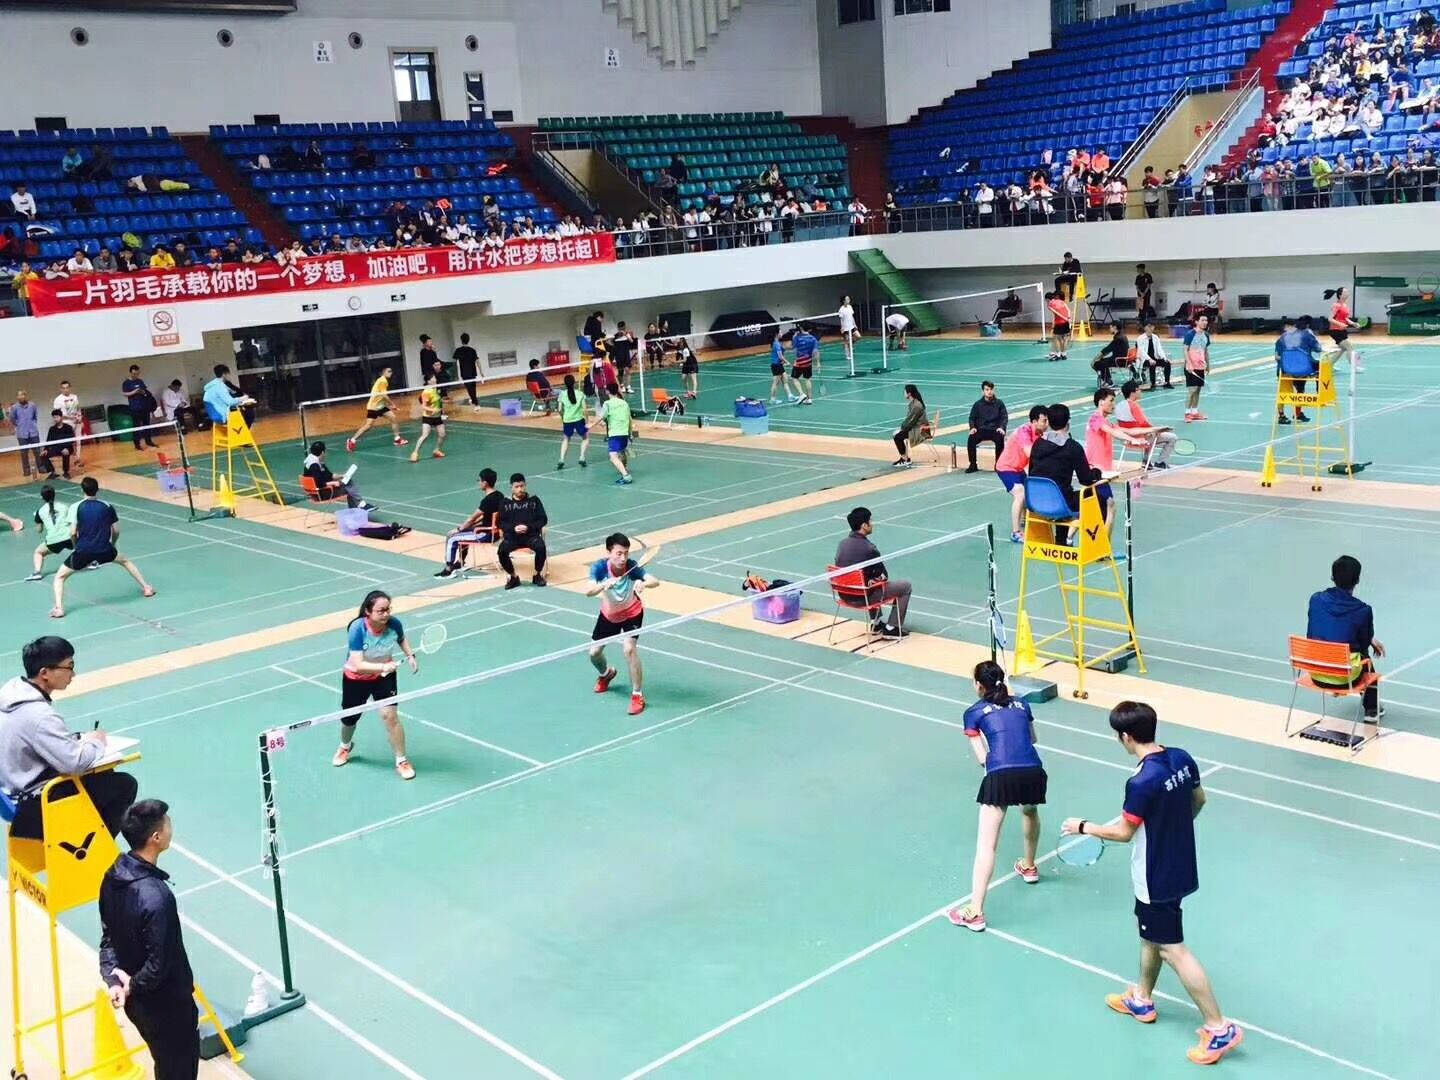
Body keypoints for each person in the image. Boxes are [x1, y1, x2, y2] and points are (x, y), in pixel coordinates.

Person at [1061, 702, 1243, 1067]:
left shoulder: (1141, 781)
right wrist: (1172, 828)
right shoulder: (1181, 758)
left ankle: (1218, 1027)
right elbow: (1199, 800)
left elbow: (1123, 832)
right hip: (1180, 863)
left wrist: (1084, 827)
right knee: (1150, 936)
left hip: (1154, 873)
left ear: (1126, 737)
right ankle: (1141, 999)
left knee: (1172, 949)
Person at [99, 799, 200, 1080]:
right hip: (168, 1006)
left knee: (166, 1065)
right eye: (167, 824)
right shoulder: (157, 898)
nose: (170, 827)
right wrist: (132, 985)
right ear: (156, 837)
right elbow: (158, 965)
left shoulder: (111, 877)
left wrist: (114, 980)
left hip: (138, 1006)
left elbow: (108, 937)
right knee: (178, 1071)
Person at [0, 636, 137, 841]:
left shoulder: (10, 697)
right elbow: (74, 763)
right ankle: (93, 848)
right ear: (44, 673)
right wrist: (95, 742)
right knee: (124, 784)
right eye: (69, 666)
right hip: (34, 806)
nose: (73, 673)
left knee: (104, 777)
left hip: (11, 795)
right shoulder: (39, 715)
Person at [947, 661, 1046, 932]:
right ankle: (1029, 866)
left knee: (986, 845)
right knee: (1029, 810)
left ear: (979, 685)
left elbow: (982, 758)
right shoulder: (1022, 705)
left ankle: (975, 912)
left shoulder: (974, 712)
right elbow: (1032, 739)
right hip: (1033, 771)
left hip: (1001, 774)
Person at [332, 590, 418, 780]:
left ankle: (401, 760)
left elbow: (401, 638)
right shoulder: (357, 628)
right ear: (368, 611)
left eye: (388, 609)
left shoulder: (394, 624)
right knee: (349, 720)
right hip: (356, 678)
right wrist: (383, 666)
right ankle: (345, 746)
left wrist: (410, 655)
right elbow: (358, 665)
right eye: (381, 611)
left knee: (390, 717)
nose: (386, 614)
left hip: (384, 678)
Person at [50, 477, 155, 619]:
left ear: (82, 490)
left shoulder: (77, 507)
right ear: (97, 490)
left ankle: (59, 608)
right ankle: (147, 588)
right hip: (105, 549)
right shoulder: (107, 506)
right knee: (125, 561)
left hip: (83, 551)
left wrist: (76, 547)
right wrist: (112, 545)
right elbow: (116, 530)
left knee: (60, 577)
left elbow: (72, 532)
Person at [586, 532, 661, 718]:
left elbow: (655, 581)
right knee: (594, 654)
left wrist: (643, 584)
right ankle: (606, 674)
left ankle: (637, 695)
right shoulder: (599, 568)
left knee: (629, 649)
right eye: (619, 553)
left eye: (626, 553)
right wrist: (604, 584)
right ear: (609, 552)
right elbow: (588, 591)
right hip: (609, 616)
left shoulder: (632, 567)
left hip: (631, 613)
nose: (623, 558)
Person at [1307, 555, 1384, 720]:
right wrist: (1370, 640)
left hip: (1317, 672)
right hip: (1345, 678)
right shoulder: (1363, 610)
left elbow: (1314, 633)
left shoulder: (1315, 599)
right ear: (1357, 580)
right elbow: (1363, 645)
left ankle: (1368, 705)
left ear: (1332, 577)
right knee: (1365, 658)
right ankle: (1372, 709)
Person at [1028, 403, 1103, 545]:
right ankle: (1096, 545)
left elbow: (1031, 473)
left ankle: (1062, 543)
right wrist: (1097, 472)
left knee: (1062, 493)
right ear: (1068, 422)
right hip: (1061, 503)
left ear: (1049, 422)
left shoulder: (1037, 444)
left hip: (1036, 501)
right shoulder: (1073, 447)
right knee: (1099, 498)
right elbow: (1086, 479)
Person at [835, 507, 910, 639]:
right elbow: (884, 576)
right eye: (870, 521)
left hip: (843, 595)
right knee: (905, 587)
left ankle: (876, 623)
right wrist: (875, 578)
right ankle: (892, 627)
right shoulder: (870, 548)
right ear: (864, 525)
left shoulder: (841, 544)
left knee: (868, 580)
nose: (872, 523)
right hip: (862, 597)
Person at [1086, 388, 1146, 544]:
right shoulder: (1096, 420)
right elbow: (1116, 433)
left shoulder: (1105, 421)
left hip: (1103, 474)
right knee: (1108, 508)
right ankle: (1103, 548)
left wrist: (1154, 430)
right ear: (1101, 402)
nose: (1114, 404)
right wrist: (1133, 440)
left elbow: (1126, 430)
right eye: (1111, 401)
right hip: (1096, 473)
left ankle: (1095, 546)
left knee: (1099, 511)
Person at [435, 468, 504, 578]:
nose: (478, 483)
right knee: (464, 532)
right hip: (495, 532)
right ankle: (460, 562)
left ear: (485, 483)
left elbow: (472, 518)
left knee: (452, 537)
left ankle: (448, 569)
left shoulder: (487, 501)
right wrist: (469, 526)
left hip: (486, 534)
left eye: (479, 480)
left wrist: (458, 529)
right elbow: (488, 517)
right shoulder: (499, 495)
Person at [994, 405, 1049, 543]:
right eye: (1044, 421)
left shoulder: (1039, 434)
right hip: (1006, 467)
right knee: (1020, 494)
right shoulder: (1024, 432)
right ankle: (1016, 532)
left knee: (1030, 491)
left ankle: (1025, 519)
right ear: (1034, 421)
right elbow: (1030, 453)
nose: (1047, 424)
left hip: (1018, 468)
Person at [496, 473, 548, 589]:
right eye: (517, 487)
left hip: (531, 536)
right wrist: (513, 528)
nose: (520, 489)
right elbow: (500, 523)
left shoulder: (534, 500)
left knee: (541, 547)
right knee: (502, 551)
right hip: (512, 537)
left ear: (525, 485)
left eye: (522, 486)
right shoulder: (505, 502)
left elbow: (543, 519)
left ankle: (537, 575)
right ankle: (513, 577)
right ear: (511, 487)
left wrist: (528, 527)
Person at [1116, 381, 1177, 469]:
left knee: (1149, 434)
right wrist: (1158, 429)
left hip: (1126, 439)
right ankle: (1160, 462)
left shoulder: (1119, 405)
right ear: (1132, 392)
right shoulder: (1134, 406)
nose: (1140, 391)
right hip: (1139, 439)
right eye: (1138, 389)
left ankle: (1146, 461)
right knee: (1172, 437)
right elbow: (1144, 424)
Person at [1274, 315, 1323, 425]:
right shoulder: (1307, 334)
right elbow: (1318, 349)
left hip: (1285, 370)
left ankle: (1282, 416)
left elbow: (1277, 357)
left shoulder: (1281, 338)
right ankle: (1319, 390)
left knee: (1283, 394)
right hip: (1303, 370)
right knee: (1320, 367)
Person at [346, 366, 407, 452]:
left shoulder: (382, 380)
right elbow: (384, 395)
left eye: (391, 371)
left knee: (394, 418)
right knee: (368, 426)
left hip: (380, 406)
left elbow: (381, 396)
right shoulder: (383, 381)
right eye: (389, 371)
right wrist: (392, 404)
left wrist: (388, 406)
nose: (391, 373)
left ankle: (397, 439)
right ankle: (352, 440)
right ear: (384, 373)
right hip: (374, 407)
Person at [302, 441, 374, 511]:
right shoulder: (314, 465)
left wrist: (343, 476)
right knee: (348, 489)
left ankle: (356, 508)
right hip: (321, 494)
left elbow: (329, 475)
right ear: (322, 452)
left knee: (347, 482)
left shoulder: (313, 460)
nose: (326, 453)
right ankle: (360, 505)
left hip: (319, 491)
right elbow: (319, 483)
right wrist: (333, 483)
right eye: (325, 451)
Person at [26, 485, 73, 581]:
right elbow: (71, 522)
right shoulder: (64, 507)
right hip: (69, 538)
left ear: (42, 497)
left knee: (38, 552)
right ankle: (91, 562)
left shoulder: (39, 512)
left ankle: (37, 573)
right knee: (82, 545)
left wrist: (38, 519)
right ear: (54, 495)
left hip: (53, 541)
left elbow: (39, 530)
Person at [965, 381, 1008, 474]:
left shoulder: (999, 403)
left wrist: (1002, 427)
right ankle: (973, 465)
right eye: (987, 389)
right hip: (981, 430)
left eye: (991, 389)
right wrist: (972, 428)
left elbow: (1004, 417)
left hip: (995, 430)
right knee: (971, 439)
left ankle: (998, 465)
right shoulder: (977, 404)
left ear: (994, 390)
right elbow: (972, 418)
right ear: (983, 391)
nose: (989, 391)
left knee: (1000, 438)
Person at [598, 385, 635, 485]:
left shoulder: (607, 403)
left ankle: (626, 476)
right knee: (622, 451)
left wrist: (592, 424)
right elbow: (629, 419)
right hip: (624, 432)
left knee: (613, 457)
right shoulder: (624, 403)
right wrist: (630, 433)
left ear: (607, 391)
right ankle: (625, 468)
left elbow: (601, 417)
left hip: (614, 434)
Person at [1324, 286, 1364, 372]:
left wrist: (1353, 323)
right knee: (1349, 346)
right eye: (1345, 292)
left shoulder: (1345, 305)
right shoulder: (1336, 305)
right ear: (1340, 295)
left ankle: (1328, 366)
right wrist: (1340, 324)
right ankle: (1354, 368)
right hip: (1335, 330)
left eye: (1348, 292)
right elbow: (1330, 318)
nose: (1348, 293)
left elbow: (1345, 318)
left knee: (1343, 349)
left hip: (1342, 330)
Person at [409, 372, 447, 462]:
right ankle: (415, 453)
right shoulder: (426, 392)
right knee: (425, 435)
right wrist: (433, 410)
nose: (435, 379)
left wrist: (441, 407)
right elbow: (423, 406)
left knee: (442, 434)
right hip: (428, 417)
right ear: (428, 381)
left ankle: (436, 450)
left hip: (437, 417)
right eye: (433, 378)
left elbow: (437, 401)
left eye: (435, 378)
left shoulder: (436, 388)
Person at [1182, 314, 1212, 423]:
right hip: (1191, 367)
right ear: (1196, 322)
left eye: (1206, 320)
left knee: (1198, 390)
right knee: (1192, 390)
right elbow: (1185, 350)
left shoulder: (1206, 335)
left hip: (1200, 367)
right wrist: (1189, 364)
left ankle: (1194, 412)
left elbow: (1206, 351)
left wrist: (1208, 364)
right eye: (1202, 320)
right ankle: (1187, 413)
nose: (1205, 322)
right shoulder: (1190, 334)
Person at [557, 375, 590, 470]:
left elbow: (559, 409)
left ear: (565, 384)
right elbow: (585, 410)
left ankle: (561, 459)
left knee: (566, 439)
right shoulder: (580, 394)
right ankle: (582, 457)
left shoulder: (562, 394)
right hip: (579, 419)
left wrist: (563, 417)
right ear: (574, 382)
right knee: (585, 438)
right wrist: (587, 421)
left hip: (567, 420)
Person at [121, 365, 159, 450]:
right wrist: (134, 391)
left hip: (144, 407)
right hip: (135, 408)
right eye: (134, 374)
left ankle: (148, 441)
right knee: (136, 426)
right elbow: (125, 394)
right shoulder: (126, 383)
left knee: (147, 425)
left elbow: (145, 391)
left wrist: (143, 392)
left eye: (137, 373)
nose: (136, 375)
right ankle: (137, 445)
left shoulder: (140, 381)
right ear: (130, 372)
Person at [6, 389, 41, 480]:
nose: (21, 397)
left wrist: (32, 424)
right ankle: (26, 471)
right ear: (17, 397)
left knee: (37, 451)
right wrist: (19, 425)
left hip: (33, 432)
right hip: (22, 434)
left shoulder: (32, 405)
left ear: (26, 396)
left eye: (22, 395)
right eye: (19, 395)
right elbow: (12, 419)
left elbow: (35, 417)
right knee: (24, 453)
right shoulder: (14, 407)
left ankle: (41, 468)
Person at [892, 383, 929, 468]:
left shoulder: (917, 405)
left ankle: (905, 459)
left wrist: (903, 428)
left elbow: (911, 421)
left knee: (897, 437)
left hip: (920, 431)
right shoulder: (913, 403)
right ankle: (905, 458)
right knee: (896, 434)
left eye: (904, 392)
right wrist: (903, 428)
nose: (904, 393)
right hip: (916, 428)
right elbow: (909, 420)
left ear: (909, 393)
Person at [1092, 322, 1135, 388]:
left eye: (1110, 327)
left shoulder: (1118, 338)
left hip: (1119, 360)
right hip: (1122, 359)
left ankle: (1108, 382)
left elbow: (1108, 349)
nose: (1109, 329)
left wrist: (1095, 359)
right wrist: (1100, 357)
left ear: (1115, 327)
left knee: (1098, 363)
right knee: (1102, 361)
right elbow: (1109, 349)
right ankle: (1107, 380)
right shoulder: (1122, 335)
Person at [1134, 321, 1173, 390]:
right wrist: (1149, 359)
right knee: (1152, 364)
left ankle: (1167, 383)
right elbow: (1142, 351)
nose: (1150, 328)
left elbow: (1159, 349)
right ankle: (1153, 384)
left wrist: (1164, 358)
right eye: (1148, 326)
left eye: (1151, 326)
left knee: (1167, 363)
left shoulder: (1155, 337)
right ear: (1145, 328)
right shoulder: (1140, 338)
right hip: (1144, 359)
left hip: (1155, 358)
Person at [38, 410, 75, 480]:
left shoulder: (68, 427)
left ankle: (66, 472)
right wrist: (45, 449)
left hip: (67, 447)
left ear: (61, 417)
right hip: (56, 448)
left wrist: (66, 448)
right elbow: (48, 441)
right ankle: (53, 472)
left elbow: (71, 440)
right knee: (43, 454)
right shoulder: (52, 429)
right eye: (54, 417)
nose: (55, 419)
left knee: (65, 452)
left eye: (57, 417)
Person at [53, 380, 83, 466]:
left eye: (67, 387)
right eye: (63, 388)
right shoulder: (58, 399)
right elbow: (57, 414)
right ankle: (70, 460)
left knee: (78, 441)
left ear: (70, 388)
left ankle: (78, 459)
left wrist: (79, 417)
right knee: (69, 442)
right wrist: (70, 418)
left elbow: (78, 408)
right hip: (66, 423)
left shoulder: (75, 397)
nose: (65, 389)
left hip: (76, 422)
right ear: (61, 389)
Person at [791, 323, 819, 404]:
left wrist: (793, 338)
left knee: (794, 378)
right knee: (807, 379)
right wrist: (818, 363)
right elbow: (815, 351)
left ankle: (801, 394)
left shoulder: (797, 337)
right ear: (809, 329)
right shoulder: (813, 339)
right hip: (808, 361)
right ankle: (809, 399)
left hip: (799, 361)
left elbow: (793, 348)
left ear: (801, 328)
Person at [452, 332, 481, 407]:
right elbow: (477, 361)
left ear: (461, 340)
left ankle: (475, 402)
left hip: (464, 373)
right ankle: (474, 400)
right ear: (469, 340)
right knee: (473, 388)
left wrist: (456, 374)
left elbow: (455, 362)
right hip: (473, 372)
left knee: (469, 388)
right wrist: (481, 372)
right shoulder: (472, 350)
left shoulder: (458, 350)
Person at [768, 330, 797, 404]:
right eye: (780, 332)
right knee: (776, 383)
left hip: (778, 364)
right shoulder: (776, 344)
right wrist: (787, 362)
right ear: (776, 334)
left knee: (785, 380)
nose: (781, 333)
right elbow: (780, 356)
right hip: (776, 365)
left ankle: (790, 396)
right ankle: (772, 399)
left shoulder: (777, 343)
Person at [1046, 291, 1072, 361]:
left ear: (1047, 299)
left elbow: (1057, 313)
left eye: (1046, 300)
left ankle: (1058, 355)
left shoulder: (1049, 305)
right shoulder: (1061, 301)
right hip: (1066, 322)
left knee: (1056, 338)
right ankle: (1064, 354)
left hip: (1059, 323)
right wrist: (1069, 318)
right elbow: (1068, 310)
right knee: (1064, 339)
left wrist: (1065, 318)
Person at [838, 294, 859, 365]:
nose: (849, 300)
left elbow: (852, 316)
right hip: (846, 327)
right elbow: (841, 319)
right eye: (847, 299)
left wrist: (854, 324)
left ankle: (851, 344)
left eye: (849, 299)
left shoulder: (850, 307)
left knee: (858, 336)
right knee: (846, 341)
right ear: (844, 301)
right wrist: (842, 327)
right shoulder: (841, 309)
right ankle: (847, 355)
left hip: (852, 326)